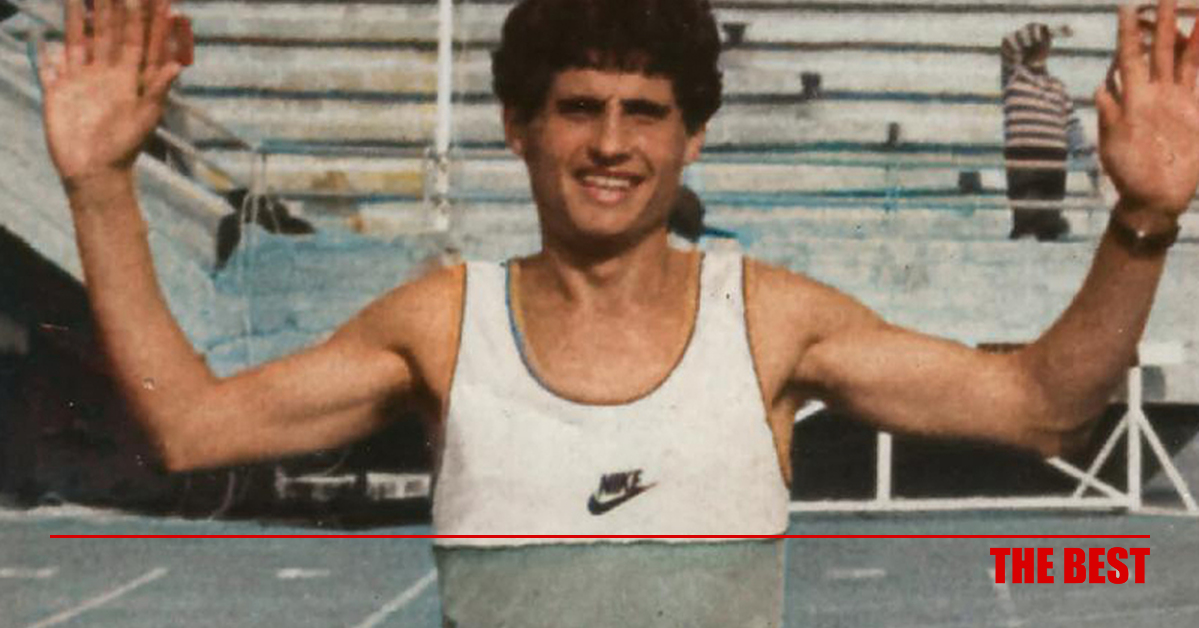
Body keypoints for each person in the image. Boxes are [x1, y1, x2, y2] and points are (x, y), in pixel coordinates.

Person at [35, 0, 1197, 625]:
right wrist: (97, 186)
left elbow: (1039, 407)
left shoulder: (766, 319)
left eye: (643, 112)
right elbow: (191, 425)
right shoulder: (441, 322)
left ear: (691, 138)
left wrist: (1141, 218)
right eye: (577, 106)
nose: (608, 142)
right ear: (518, 126)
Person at [1000, 22, 1095, 241]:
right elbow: (1009, 43)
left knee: (1049, 218)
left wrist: (1087, 160)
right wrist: (1048, 31)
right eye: (1042, 44)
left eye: (1047, 45)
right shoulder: (1014, 75)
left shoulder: (1058, 86)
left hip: (1054, 157)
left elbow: (1072, 125)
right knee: (1026, 217)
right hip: (1024, 154)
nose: (1044, 48)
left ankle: (1051, 230)